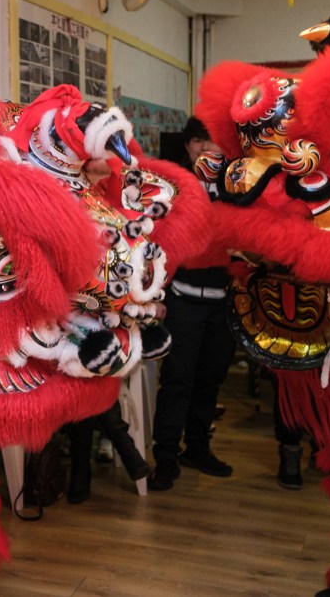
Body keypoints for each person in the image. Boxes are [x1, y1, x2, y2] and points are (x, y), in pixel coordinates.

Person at [148, 117, 235, 491]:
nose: (207, 147)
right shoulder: (173, 187)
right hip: (182, 298)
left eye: (213, 140)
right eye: (199, 140)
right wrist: (157, 294)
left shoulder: (239, 185)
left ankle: (198, 448)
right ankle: (166, 457)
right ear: (187, 146)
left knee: (210, 380)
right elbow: (156, 241)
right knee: (177, 380)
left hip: (224, 299)